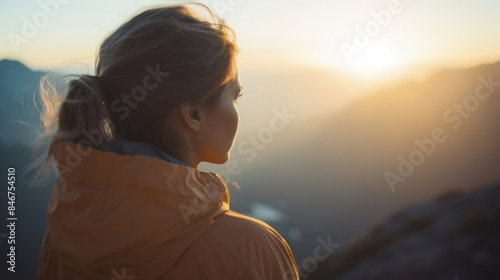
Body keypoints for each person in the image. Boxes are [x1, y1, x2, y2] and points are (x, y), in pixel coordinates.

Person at [33, 3, 299, 280]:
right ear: (194, 114)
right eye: (235, 97)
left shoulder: (64, 234)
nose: (237, 113)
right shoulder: (253, 248)